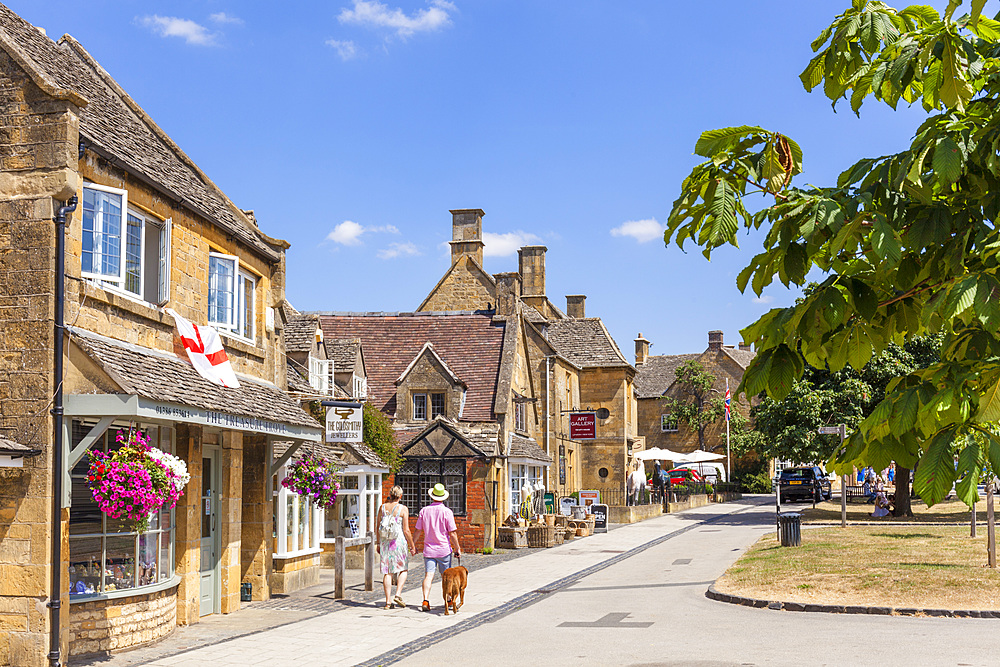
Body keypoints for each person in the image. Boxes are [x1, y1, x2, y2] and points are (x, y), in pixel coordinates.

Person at [414, 482, 461, 612]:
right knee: (446, 577)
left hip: (429, 550)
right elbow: (452, 533)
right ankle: (449, 600)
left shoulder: (424, 511)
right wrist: (457, 548)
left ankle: (425, 600)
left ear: (432, 496)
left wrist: (413, 544)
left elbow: (418, 530)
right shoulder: (447, 512)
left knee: (428, 575)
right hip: (444, 550)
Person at [376, 485, 416, 610]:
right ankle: (398, 594)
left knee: (387, 572)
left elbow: (378, 527)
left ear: (390, 494)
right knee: (403, 568)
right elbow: (406, 530)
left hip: (385, 542)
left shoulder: (382, 508)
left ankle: (388, 602)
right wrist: (412, 546)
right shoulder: (403, 509)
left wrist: (378, 543)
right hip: (398, 542)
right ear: (400, 496)